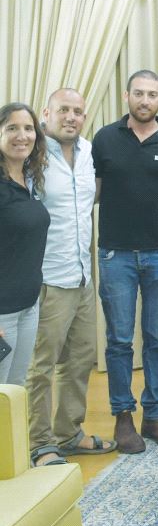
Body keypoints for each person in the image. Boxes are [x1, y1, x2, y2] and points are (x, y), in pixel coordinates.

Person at [92, 69, 158, 453]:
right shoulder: (104, 139)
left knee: (156, 338)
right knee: (119, 339)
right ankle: (123, 416)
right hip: (116, 254)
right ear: (127, 96)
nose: (145, 100)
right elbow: (92, 193)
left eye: (152, 94)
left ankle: (153, 415)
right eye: (139, 93)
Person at [26, 90, 115, 467]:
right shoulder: (32, 155)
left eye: (79, 111)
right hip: (47, 279)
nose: (72, 117)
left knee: (79, 360)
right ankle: (39, 444)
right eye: (64, 110)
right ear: (46, 113)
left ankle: (69, 433)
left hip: (81, 275)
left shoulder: (88, 151)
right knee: (41, 367)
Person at [0, 103, 49, 386]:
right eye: (12, 128)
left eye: (28, 128)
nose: (22, 136)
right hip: (2, 311)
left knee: (14, 392)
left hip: (28, 306)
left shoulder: (30, 179)